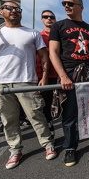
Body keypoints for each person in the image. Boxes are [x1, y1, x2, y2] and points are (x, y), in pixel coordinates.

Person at [0, 1, 56, 169]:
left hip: (26, 80)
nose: (14, 11)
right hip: (0, 82)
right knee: (9, 119)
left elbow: (44, 57)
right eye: (9, 8)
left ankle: (47, 144)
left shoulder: (32, 33)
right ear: (1, 12)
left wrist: (44, 77)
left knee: (36, 115)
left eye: (17, 9)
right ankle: (15, 150)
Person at [49, 0, 89, 167]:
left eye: (70, 3)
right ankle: (70, 147)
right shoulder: (59, 26)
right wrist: (63, 75)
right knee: (70, 114)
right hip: (70, 73)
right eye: (64, 3)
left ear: (81, 6)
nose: (66, 5)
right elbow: (53, 53)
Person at [36, 10, 57, 138]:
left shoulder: (59, 35)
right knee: (46, 105)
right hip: (43, 76)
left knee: (64, 105)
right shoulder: (37, 36)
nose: (49, 19)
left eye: (52, 17)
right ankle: (50, 130)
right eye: (46, 17)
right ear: (42, 20)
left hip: (59, 75)